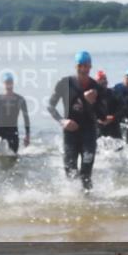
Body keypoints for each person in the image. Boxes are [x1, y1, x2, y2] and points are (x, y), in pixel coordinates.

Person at [48, 51, 100, 190]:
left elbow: (103, 113)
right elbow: (50, 105)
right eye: (80, 66)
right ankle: (73, 198)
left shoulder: (95, 86)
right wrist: (62, 121)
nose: (83, 69)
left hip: (89, 133)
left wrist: (94, 101)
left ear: (90, 67)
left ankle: (88, 199)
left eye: (86, 66)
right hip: (70, 133)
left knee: (86, 173)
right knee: (70, 172)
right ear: (76, 66)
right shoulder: (64, 83)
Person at [0, 72, 30, 152]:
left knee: (14, 154)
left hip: (13, 130)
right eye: (6, 82)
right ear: (3, 84)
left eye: (10, 82)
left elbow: (26, 118)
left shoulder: (20, 99)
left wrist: (27, 134)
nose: (8, 85)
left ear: (13, 83)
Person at [94, 70, 123, 139]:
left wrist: (113, 117)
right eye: (101, 79)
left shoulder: (114, 93)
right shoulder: (92, 95)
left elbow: (124, 109)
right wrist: (98, 119)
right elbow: (87, 111)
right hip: (98, 128)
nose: (104, 81)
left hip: (114, 127)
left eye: (105, 79)